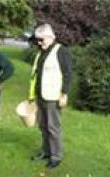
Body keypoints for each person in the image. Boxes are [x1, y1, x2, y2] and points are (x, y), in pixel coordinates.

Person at [29, 24, 72, 169]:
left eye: (41, 40)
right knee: (42, 125)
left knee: (53, 127)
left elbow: (68, 74)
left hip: (53, 97)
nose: (39, 43)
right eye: (38, 40)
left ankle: (56, 156)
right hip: (40, 95)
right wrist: (32, 94)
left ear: (50, 37)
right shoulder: (41, 52)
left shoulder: (61, 51)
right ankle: (46, 151)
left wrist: (64, 94)